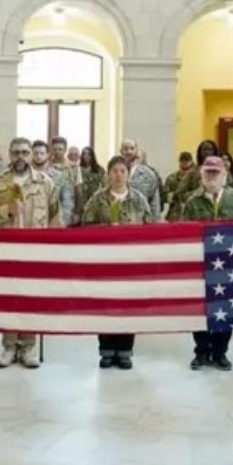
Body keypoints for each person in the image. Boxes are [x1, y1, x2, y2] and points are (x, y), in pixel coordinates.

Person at [0, 137, 60, 369]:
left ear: (31, 154)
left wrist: (55, 251)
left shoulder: (45, 182)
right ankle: (9, 346)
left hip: (36, 252)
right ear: (9, 154)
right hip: (7, 252)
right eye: (16, 153)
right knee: (10, 298)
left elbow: (55, 217)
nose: (21, 157)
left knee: (31, 299)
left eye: (25, 152)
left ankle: (28, 347)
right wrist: (6, 210)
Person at [82, 156, 153, 369]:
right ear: (108, 174)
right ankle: (106, 350)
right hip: (104, 262)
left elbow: (150, 228)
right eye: (115, 171)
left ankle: (124, 351)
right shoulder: (97, 199)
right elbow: (86, 227)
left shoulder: (138, 199)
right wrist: (105, 230)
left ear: (128, 174)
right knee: (105, 305)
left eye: (123, 171)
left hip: (131, 263)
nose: (119, 175)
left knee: (127, 306)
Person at [181, 156, 233, 370]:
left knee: (224, 310)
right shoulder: (192, 202)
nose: (211, 177)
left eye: (215, 173)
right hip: (200, 265)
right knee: (200, 311)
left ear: (224, 176)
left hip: (227, 267)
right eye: (207, 173)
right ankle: (201, 352)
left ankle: (220, 352)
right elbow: (184, 233)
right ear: (201, 176)